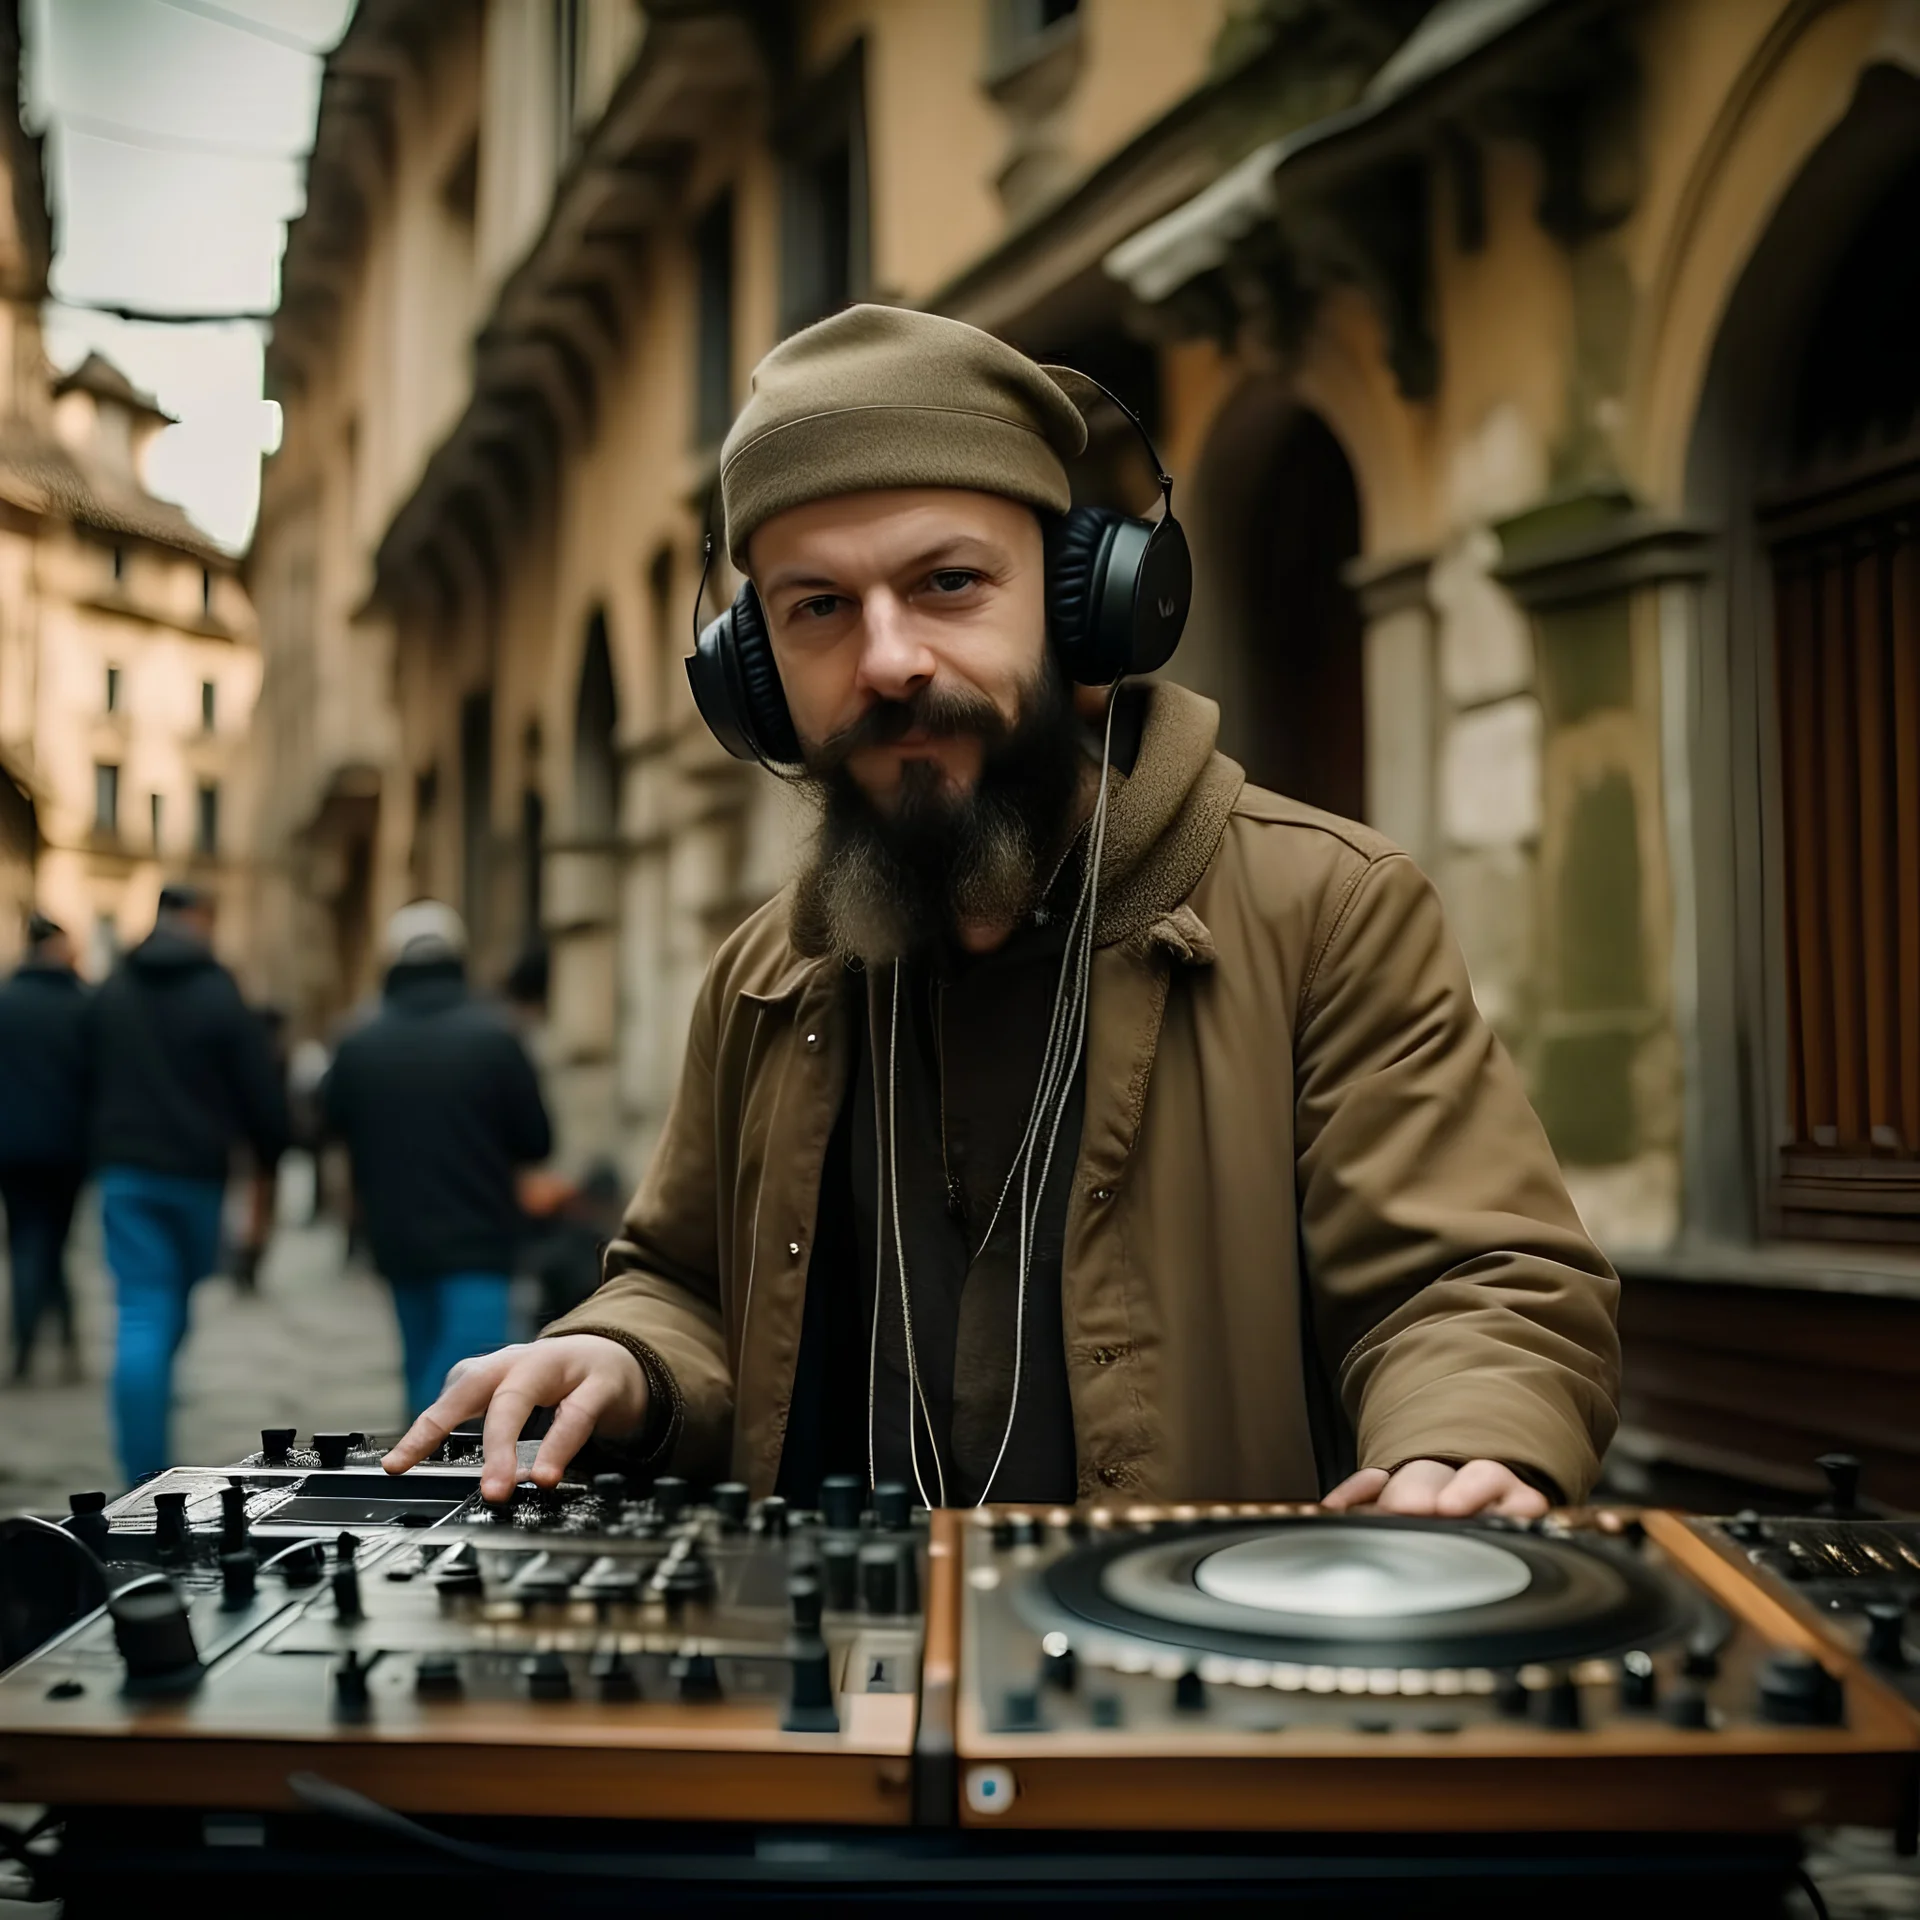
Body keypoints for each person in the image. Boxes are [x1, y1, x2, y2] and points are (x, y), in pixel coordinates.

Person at [386, 305, 1620, 1517]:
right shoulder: (763, 973)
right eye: (817, 607)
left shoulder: (1331, 910)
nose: (887, 661)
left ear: (1084, 609)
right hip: (844, 1686)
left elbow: (1473, 1284)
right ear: (755, 678)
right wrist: (628, 1356)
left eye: (950, 583)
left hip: (1184, 1683)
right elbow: (684, 1282)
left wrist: (1458, 1442)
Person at [322, 901, 553, 1418]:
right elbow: (537, 1139)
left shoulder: (358, 1041)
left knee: (421, 1361)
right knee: (469, 1370)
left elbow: (328, 1124)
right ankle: (428, 1468)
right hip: (479, 1236)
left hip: (396, 1237)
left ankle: (416, 1475)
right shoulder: (496, 1037)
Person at [91, 882, 288, 1481]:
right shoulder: (218, 990)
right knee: (162, 1309)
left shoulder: (113, 989)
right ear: (198, 918)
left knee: (145, 1311)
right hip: (196, 1175)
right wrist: (270, 1152)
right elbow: (258, 1088)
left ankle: (141, 1463)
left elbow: (80, 1077)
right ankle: (147, 1468)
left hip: (124, 1171)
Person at [0, 913, 90, 1380]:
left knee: (26, 1239)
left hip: (11, 1148)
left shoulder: (5, 1001)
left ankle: (32, 1342)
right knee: (53, 1241)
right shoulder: (82, 1005)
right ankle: (53, 1340)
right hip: (67, 1149)